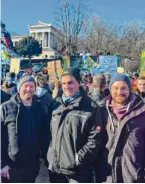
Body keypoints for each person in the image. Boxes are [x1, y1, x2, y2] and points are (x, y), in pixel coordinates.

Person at [47, 68, 103, 183]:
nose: (67, 86)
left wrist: (78, 159)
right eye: (63, 83)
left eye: (70, 82)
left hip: (77, 171)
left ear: (79, 83)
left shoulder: (90, 107)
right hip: (55, 169)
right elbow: (47, 133)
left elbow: (95, 139)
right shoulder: (55, 105)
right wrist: (49, 155)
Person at [96, 73, 145, 183]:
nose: (119, 92)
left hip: (133, 173)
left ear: (130, 89)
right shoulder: (101, 110)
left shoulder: (141, 111)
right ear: (110, 89)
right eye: (115, 88)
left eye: (123, 88)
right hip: (107, 174)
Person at [1, 75, 50, 183]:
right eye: (25, 86)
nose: (28, 89)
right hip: (11, 165)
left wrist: (43, 157)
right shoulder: (6, 107)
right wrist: (2, 163)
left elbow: (44, 134)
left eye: (32, 86)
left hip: (32, 164)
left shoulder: (40, 107)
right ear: (19, 88)